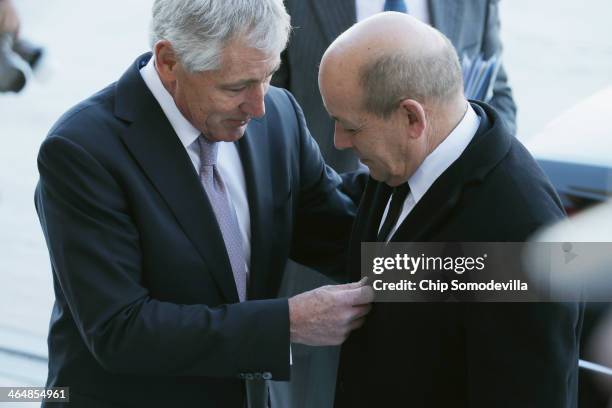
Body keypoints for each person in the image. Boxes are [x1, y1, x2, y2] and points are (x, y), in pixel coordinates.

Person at [34, 1, 374, 407]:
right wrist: (286, 323)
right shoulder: (82, 151)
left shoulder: (279, 117)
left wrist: (460, 269)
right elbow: (120, 330)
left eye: (266, 76)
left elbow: (343, 237)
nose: (258, 105)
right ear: (169, 62)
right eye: (236, 87)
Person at [318, 12, 582, 407]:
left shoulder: (522, 240)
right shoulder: (401, 160)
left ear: (412, 117)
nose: (338, 141)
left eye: (351, 127)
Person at [273, 0, 517, 173]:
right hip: (334, 201)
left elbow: (498, 93)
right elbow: (270, 104)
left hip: (450, 200)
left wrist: (478, 173)